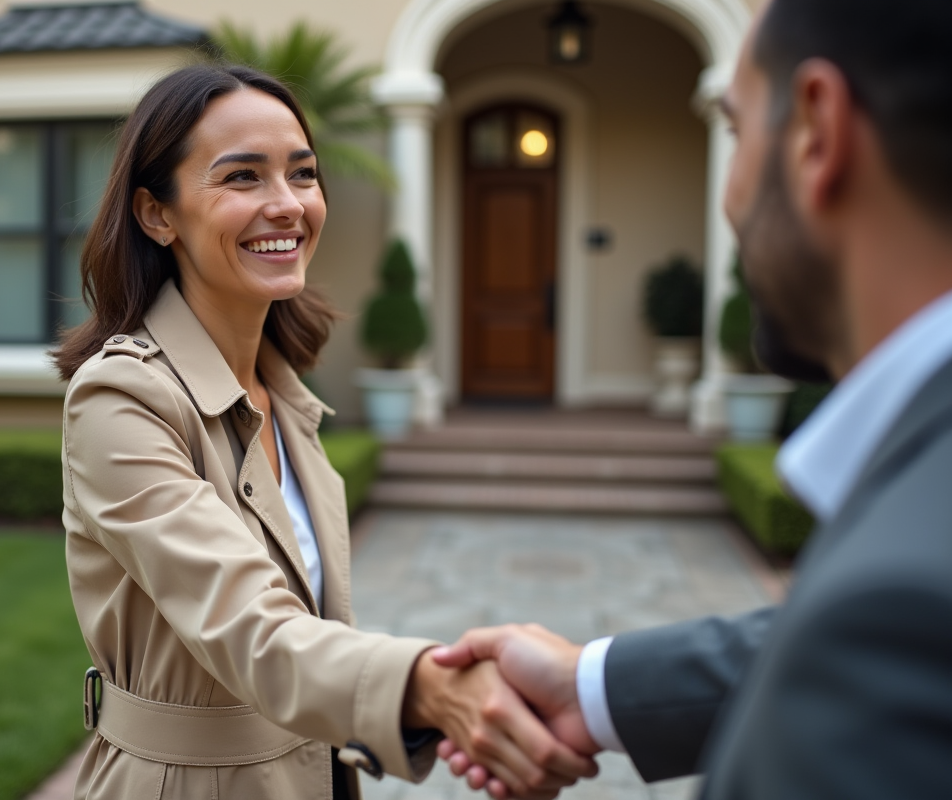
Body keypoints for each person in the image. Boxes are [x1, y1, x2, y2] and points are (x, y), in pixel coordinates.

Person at [433, 0, 952, 798]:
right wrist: (593, 686)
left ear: (817, 131)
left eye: (737, 131)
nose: (729, 195)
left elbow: (887, 632)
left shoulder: (898, 608)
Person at [53, 64, 597, 800]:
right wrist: (437, 692)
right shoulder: (121, 399)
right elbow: (250, 626)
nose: (286, 205)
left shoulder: (286, 397)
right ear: (158, 215)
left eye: (302, 175)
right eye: (242, 178)